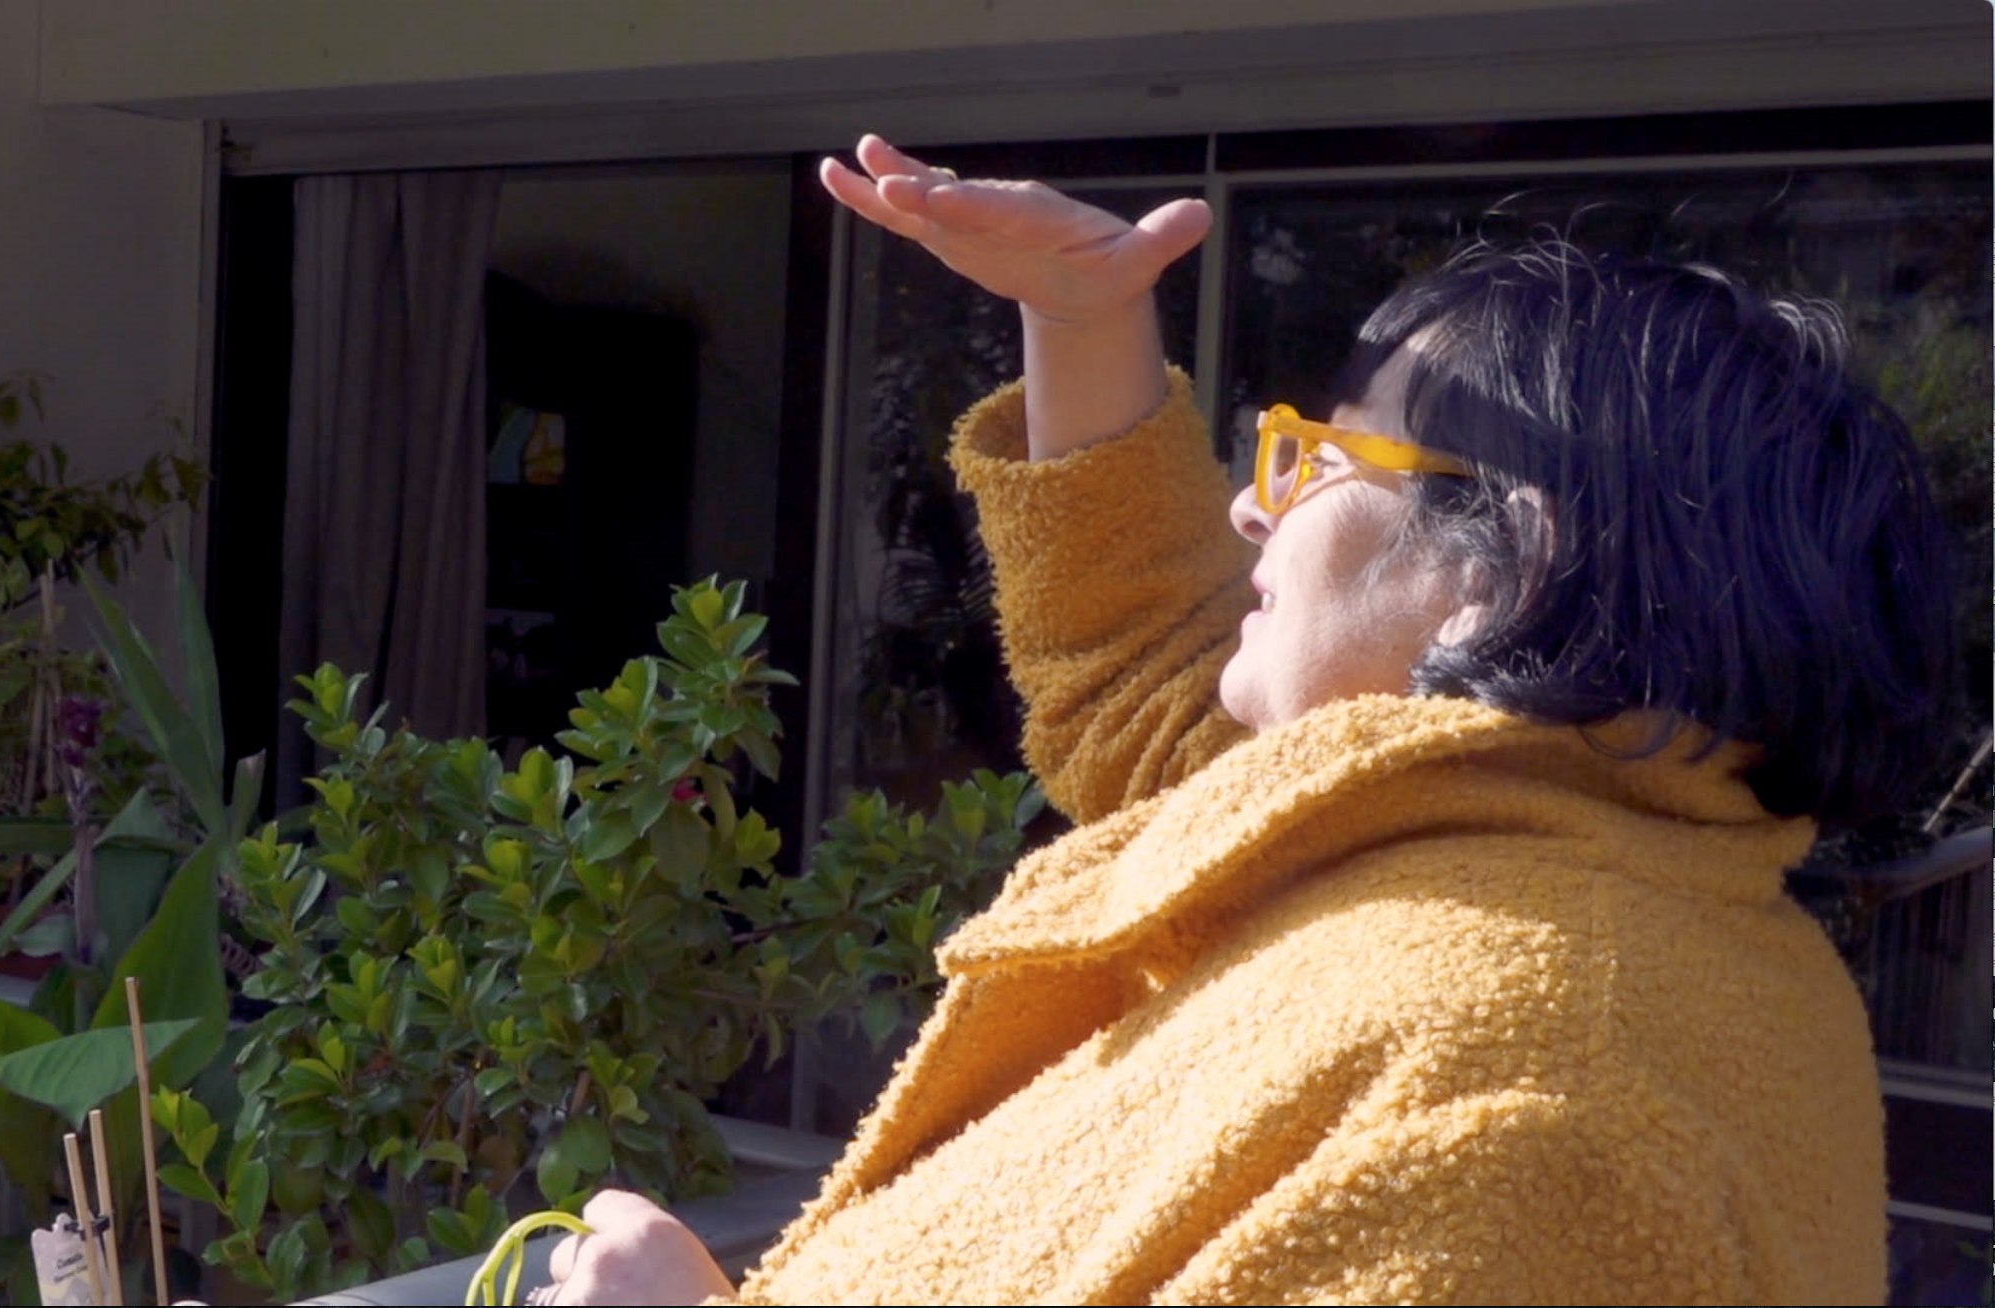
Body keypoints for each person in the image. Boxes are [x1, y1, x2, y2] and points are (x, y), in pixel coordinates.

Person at [536, 135, 1952, 1305]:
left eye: (1320, 455)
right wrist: (1081, 319)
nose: (1252, 507)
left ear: (1505, 563)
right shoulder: (1527, 868)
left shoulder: (1529, 1105)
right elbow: (1153, 705)